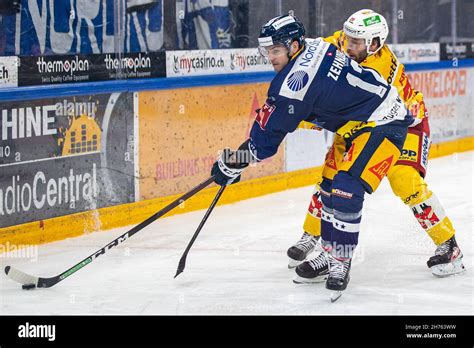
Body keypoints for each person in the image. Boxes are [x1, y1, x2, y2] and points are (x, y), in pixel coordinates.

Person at [210, 14, 413, 300]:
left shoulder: (294, 84)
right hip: (360, 126)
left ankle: (340, 261)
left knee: (346, 188)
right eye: (267, 51)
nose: (270, 57)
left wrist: (231, 161)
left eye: (276, 50)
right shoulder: (316, 45)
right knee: (330, 187)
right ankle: (330, 254)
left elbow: (264, 143)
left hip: (385, 123)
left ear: (294, 46)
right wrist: (235, 160)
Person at [288, 10, 465, 284]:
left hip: (403, 123)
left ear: (375, 44)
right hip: (362, 122)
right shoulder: (344, 42)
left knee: (404, 180)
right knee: (331, 178)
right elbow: (312, 57)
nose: (348, 45)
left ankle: (449, 246)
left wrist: (302, 117)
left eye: (356, 42)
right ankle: (316, 238)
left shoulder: (377, 70)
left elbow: (338, 113)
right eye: (347, 38)